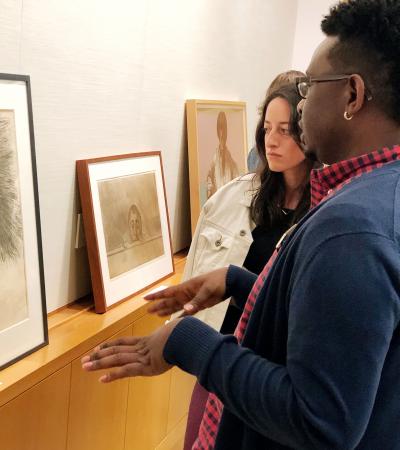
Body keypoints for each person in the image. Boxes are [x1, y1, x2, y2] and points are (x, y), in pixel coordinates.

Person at [82, 1, 400, 448]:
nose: (302, 106)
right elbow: (336, 331)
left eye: (310, 88)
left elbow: (320, 420)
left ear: (352, 94)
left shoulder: (352, 228)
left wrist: (188, 340)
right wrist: (241, 281)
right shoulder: (378, 196)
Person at [180, 77, 312, 449]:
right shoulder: (236, 196)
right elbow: (198, 271)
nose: (272, 140)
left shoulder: (324, 213)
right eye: (267, 128)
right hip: (220, 353)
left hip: (270, 369)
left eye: (285, 131)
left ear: (309, 132)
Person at [206, 111, 239, 198]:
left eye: (223, 130)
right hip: (217, 201)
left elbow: (236, 179)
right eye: (219, 130)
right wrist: (209, 191)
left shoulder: (231, 160)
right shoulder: (214, 158)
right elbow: (209, 178)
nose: (221, 134)